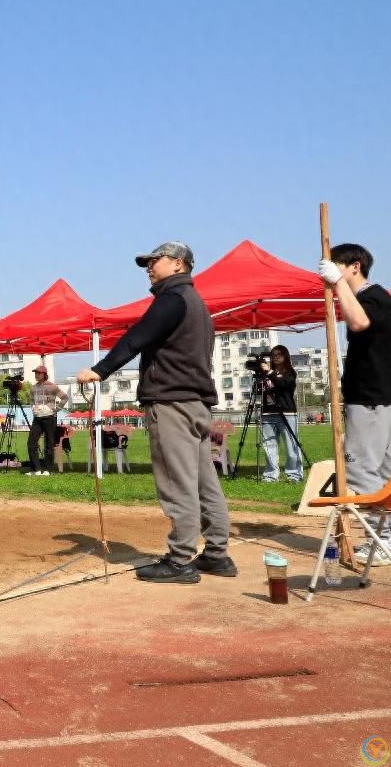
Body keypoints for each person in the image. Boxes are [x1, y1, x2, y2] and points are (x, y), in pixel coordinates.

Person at [77, 241, 233, 584]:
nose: (149, 266)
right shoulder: (196, 302)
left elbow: (137, 337)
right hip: (195, 403)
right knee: (205, 482)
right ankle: (217, 554)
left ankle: (180, 560)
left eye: (155, 260)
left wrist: (101, 370)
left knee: (178, 484)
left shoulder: (172, 298)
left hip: (171, 403)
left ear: (178, 264)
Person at [319, 244, 391, 566]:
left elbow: (359, 322)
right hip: (379, 397)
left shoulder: (372, 297)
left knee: (362, 471)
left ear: (354, 266)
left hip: (371, 398)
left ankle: (382, 540)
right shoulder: (378, 298)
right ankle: (387, 538)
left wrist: (337, 284)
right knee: (385, 473)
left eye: (336, 265)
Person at [258, 344, 303, 483]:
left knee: (291, 445)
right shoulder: (265, 373)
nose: (276, 357)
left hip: (287, 412)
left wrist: (270, 373)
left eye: (279, 354)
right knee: (269, 446)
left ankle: (294, 474)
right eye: (273, 355)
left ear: (285, 356)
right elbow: (260, 391)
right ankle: (271, 475)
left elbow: (284, 384)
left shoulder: (289, 372)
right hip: (268, 413)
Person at [26, 366, 68, 476]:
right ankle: (36, 469)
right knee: (31, 444)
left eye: (39, 373)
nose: (36, 375)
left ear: (44, 374)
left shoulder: (52, 386)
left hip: (50, 418)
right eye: (35, 373)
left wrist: (56, 410)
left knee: (49, 444)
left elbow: (64, 397)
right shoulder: (33, 388)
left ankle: (48, 470)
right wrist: (33, 408)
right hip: (37, 418)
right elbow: (31, 400)